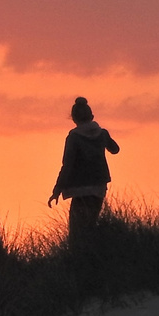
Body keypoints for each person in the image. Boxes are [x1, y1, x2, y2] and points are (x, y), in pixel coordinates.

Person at [47, 97, 120, 238]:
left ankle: (78, 257)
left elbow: (67, 166)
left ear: (73, 118)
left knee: (77, 232)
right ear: (92, 116)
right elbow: (115, 149)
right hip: (98, 186)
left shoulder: (73, 137)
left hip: (79, 188)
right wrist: (104, 139)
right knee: (92, 225)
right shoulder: (103, 133)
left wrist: (57, 190)